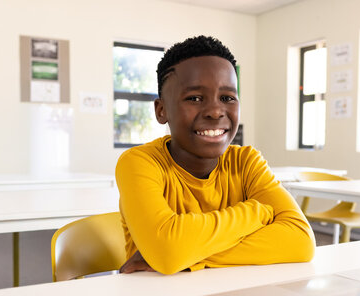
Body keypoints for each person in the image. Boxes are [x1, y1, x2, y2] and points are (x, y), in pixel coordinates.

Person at [116, 35, 315, 274]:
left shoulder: (247, 162)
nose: (214, 111)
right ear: (162, 110)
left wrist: (187, 255)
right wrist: (256, 212)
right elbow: (168, 251)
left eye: (227, 98)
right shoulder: (139, 163)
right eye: (195, 98)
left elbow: (301, 241)